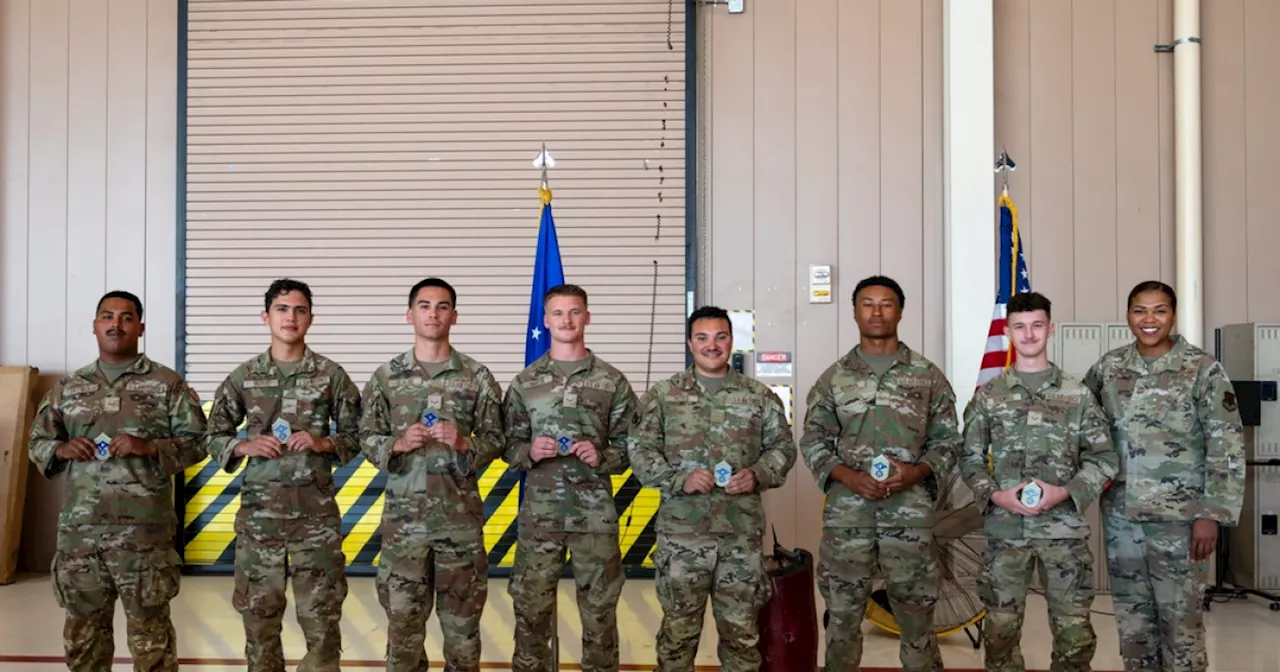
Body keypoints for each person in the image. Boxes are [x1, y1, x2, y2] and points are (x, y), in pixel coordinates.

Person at [28, 290, 208, 672]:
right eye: (107, 316)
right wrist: (61, 450)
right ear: (95, 326)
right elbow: (38, 440)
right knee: (84, 644)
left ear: (140, 327)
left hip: (144, 539)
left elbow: (198, 442)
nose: (116, 324)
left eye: (126, 317)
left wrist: (151, 447)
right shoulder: (69, 387)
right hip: (82, 538)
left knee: (152, 645)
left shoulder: (165, 384)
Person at [799, 275, 961, 672]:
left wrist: (916, 472)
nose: (876, 311)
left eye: (886, 303)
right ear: (854, 312)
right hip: (847, 516)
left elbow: (948, 441)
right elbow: (813, 440)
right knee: (841, 616)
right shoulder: (834, 378)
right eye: (867, 303)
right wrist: (847, 477)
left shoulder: (927, 376)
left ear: (900, 312)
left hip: (909, 515)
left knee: (917, 619)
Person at [1083, 281, 1245, 672]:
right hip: (1122, 518)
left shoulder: (1202, 368)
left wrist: (1212, 513)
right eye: (1140, 310)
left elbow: (1226, 444)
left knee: (1181, 623)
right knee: (1134, 621)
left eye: (1159, 310)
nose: (1149, 320)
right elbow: (1083, 427)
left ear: (1173, 316)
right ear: (1128, 316)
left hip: (1182, 521)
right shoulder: (1109, 367)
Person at [203, 278, 362, 672]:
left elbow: (359, 435)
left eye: (300, 310)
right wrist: (242, 446)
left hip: (316, 520)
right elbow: (213, 433)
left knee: (322, 618)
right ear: (266, 316)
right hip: (260, 522)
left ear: (310, 318)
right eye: (282, 309)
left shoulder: (330, 375)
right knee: (259, 619)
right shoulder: (244, 376)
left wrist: (323, 443)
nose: (291, 317)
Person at [627, 305, 796, 672]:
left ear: (732, 342)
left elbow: (783, 448)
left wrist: (757, 473)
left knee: (742, 638)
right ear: (690, 343)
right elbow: (639, 451)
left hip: (740, 538)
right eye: (702, 338)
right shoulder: (662, 396)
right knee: (677, 638)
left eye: (720, 337)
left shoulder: (759, 396)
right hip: (682, 538)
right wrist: (679, 480)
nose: (712, 345)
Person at [959, 291, 1118, 672]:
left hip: (1063, 533)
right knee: (999, 634)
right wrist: (996, 496)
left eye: (1037, 326)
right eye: (1020, 327)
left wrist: (1065, 492)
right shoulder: (990, 397)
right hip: (1005, 533)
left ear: (1051, 328)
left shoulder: (1078, 395)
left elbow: (1104, 459)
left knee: (1074, 636)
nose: (1029, 335)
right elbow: (969, 459)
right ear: (1008, 332)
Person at [359, 277, 505, 672]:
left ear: (454, 316)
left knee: (462, 634)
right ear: (410, 314)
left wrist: (465, 443)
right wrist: (396, 445)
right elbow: (365, 436)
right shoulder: (387, 376)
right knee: (403, 631)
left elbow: (499, 439)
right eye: (424, 305)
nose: (433, 313)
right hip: (403, 528)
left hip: (459, 525)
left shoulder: (477, 376)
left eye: (442, 306)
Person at [502, 284, 638, 672]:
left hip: (594, 519)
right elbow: (506, 443)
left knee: (599, 619)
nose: (566, 320)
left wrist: (604, 455)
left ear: (587, 317)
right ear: (545, 321)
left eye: (575, 312)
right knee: (531, 616)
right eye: (558, 313)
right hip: (540, 519)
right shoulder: (526, 382)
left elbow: (635, 445)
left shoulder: (611, 381)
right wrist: (529, 451)